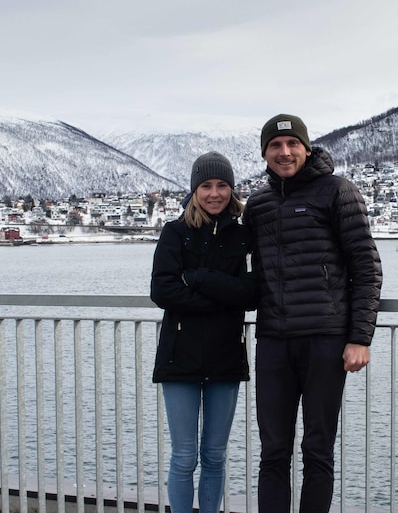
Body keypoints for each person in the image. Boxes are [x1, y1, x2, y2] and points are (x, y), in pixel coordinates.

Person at [243, 114, 383, 512]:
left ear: (306, 147)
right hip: (273, 341)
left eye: (292, 144)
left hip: (325, 339)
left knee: (317, 448)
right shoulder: (259, 204)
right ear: (265, 153)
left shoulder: (338, 192)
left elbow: (366, 268)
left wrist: (359, 338)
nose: (284, 152)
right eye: (275, 146)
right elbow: (246, 268)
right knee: (273, 451)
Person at [150, 151, 258, 513]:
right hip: (179, 357)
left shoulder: (244, 236)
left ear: (232, 189)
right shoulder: (175, 233)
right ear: (194, 190)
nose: (215, 194)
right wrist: (224, 296)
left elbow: (252, 293)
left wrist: (197, 278)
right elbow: (163, 292)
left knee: (215, 454)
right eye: (207, 186)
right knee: (184, 455)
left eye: (222, 185)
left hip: (226, 356)